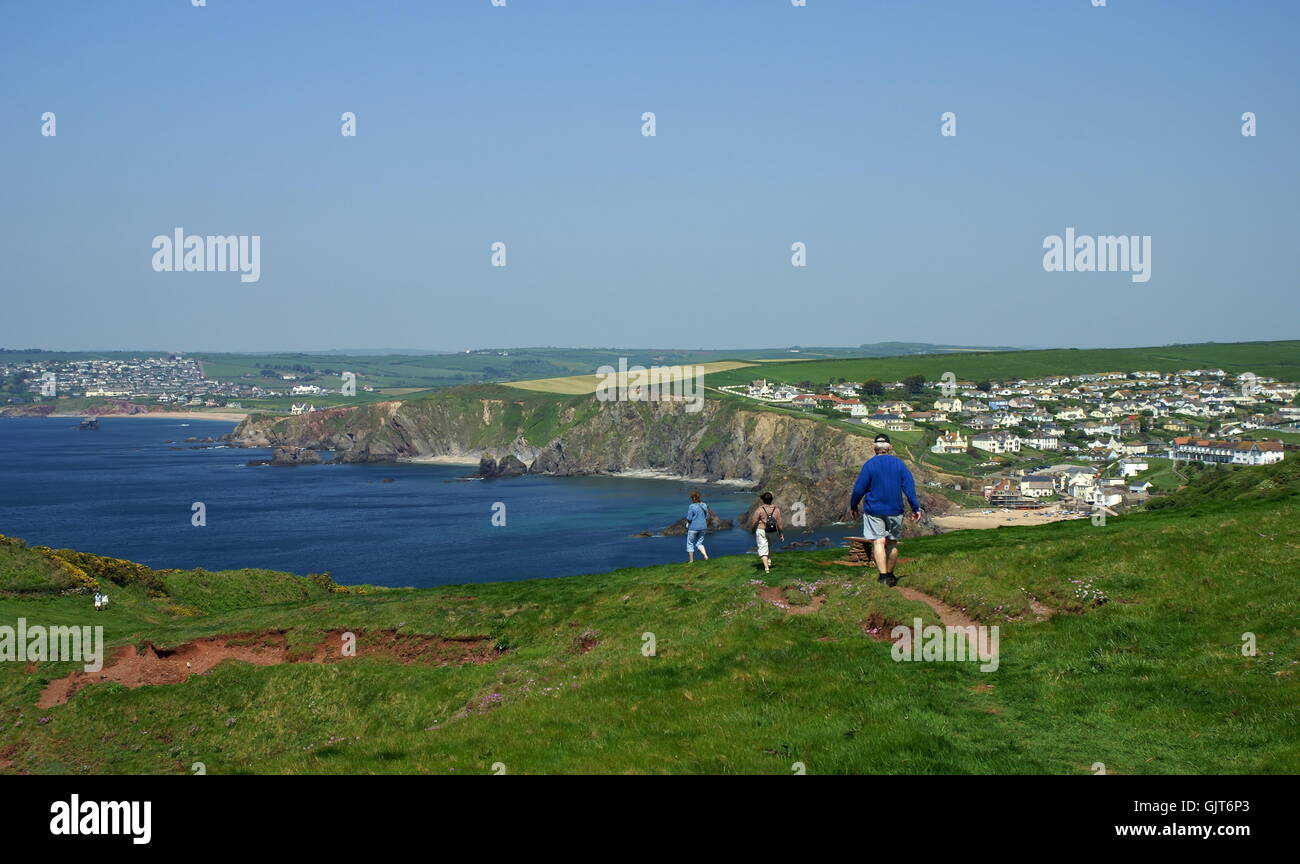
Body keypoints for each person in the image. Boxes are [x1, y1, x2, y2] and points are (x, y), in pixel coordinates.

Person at [849, 433, 921, 587]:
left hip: (874, 509)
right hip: (895, 509)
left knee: (878, 541)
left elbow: (859, 489)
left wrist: (853, 505)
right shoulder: (899, 464)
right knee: (892, 542)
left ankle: (882, 576)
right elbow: (909, 487)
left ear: (874, 448)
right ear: (890, 447)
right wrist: (915, 507)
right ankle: (890, 574)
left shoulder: (869, 465)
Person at [751, 491, 784, 573]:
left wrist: (753, 529)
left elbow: (754, 520)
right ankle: (769, 561)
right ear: (771, 499)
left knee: (763, 548)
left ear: (763, 500)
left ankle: (766, 568)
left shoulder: (760, 509)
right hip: (773, 531)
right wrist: (781, 533)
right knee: (769, 546)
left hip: (761, 530)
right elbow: (779, 522)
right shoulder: (776, 509)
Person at [685, 490, 710, 563]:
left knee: (690, 543)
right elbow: (707, 516)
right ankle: (705, 556)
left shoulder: (691, 506)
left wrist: (687, 523)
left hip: (693, 527)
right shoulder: (704, 505)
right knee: (699, 543)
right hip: (703, 527)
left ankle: (691, 561)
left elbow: (689, 518)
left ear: (693, 498)